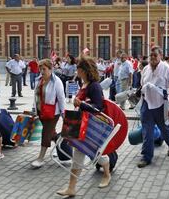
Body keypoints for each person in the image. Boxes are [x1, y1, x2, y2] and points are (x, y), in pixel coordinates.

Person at [57, 57, 111, 197]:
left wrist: (81, 104)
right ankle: (71, 188)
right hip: (80, 122)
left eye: (79, 69)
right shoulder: (84, 83)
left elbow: (98, 107)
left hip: (89, 125)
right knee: (79, 155)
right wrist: (79, 104)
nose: (77, 71)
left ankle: (107, 172)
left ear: (84, 70)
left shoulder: (94, 86)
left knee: (94, 152)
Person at [137, 46, 169, 168]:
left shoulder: (167, 69)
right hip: (147, 105)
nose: (153, 57)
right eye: (151, 55)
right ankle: (146, 157)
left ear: (160, 55)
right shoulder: (145, 69)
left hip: (161, 105)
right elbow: (142, 86)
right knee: (147, 132)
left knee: (165, 131)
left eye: (155, 55)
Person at [31, 59, 65, 168]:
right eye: (40, 68)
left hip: (53, 112)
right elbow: (36, 96)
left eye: (44, 69)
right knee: (51, 132)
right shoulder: (39, 80)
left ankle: (41, 158)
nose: (41, 71)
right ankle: (61, 147)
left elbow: (61, 98)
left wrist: (63, 113)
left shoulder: (56, 81)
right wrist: (34, 108)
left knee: (45, 132)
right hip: (41, 111)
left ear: (51, 69)